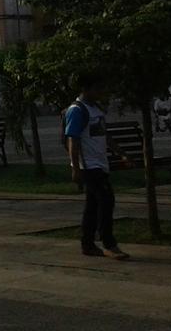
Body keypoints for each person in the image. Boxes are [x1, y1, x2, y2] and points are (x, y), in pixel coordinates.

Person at [64, 82, 129, 260]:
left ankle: (87, 244)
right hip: (89, 166)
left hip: (101, 164)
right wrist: (76, 168)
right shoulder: (77, 110)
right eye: (98, 88)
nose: (101, 92)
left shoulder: (96, 109)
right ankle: (109, 243)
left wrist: (119, 152)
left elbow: (104, 134)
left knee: (92, 206)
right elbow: (73, 141)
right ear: (86, 89)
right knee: (107, 200)